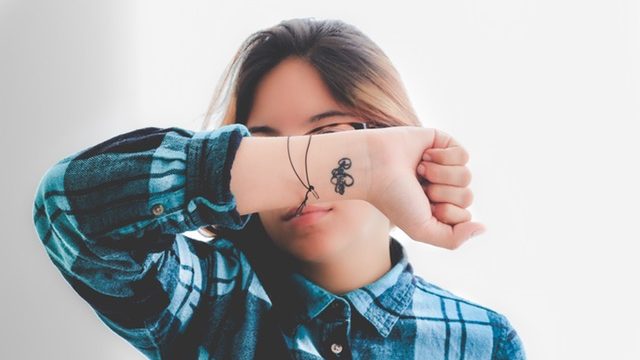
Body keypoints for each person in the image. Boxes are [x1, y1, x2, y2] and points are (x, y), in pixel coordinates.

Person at [32, 17, 526, 359]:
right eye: (274, 154)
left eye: (328, 139)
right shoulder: (208, 299)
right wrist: (359, 162)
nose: (304, 185)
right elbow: (67, 207)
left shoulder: (482, 340)